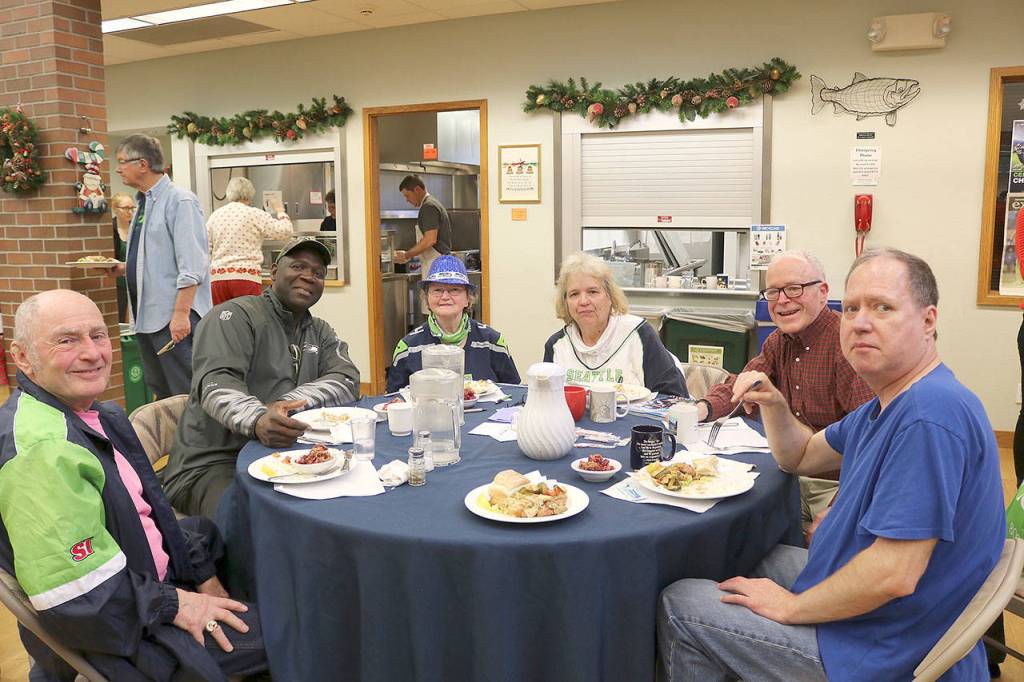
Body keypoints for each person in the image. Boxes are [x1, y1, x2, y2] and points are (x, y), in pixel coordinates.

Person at [657, 248, 1005, 682]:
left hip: (881, 646)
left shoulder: (928, 415)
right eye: (853, 307)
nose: (859, 322)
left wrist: (791, 608)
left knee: (683, 599)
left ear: (928, 321)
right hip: (878, 607)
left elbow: (892, 575)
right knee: (743, 555)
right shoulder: (891, 402)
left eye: (883, 307)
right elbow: (800, 456)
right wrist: (776, 404)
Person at [0, 290, 267, 681]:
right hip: (128, 635)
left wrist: (204, 578)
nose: (93, 353)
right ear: (22, 357)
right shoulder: (42, 452)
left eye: (99, 335)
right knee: (300, 633)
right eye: (67, 340)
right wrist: (178, 603)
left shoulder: (95, 414)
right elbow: (84, 598)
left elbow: (149, 514)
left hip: (141, 585)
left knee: (219, 534)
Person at [163, 236, 361, 518]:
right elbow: (217, 385)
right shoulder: (233, 316)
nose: (308, 277)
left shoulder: (320, 331)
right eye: (298, 266)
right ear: (273, 272)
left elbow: (347, 379)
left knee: (339, 506)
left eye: (318, 273)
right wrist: (257, 419)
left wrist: (286, 404)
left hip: (283, 458)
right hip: (213, 464)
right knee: (261, 522)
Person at [699, 251, 873, 530]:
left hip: (833, 487)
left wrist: (838, 510)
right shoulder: (778, 342)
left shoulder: (847, 346)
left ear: (823, 292)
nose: (782, 301)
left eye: (794, 289)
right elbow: (743, 381)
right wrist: (702, 409)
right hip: (789, 476)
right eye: (773, 292)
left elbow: (871, 443)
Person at [111, 134, 213, 399]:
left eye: (123, 162)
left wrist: (180, 315)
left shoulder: (180, 201)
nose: (118, 168)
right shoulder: (144, 202)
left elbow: (193, 265)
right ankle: (170, 441)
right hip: (148, 318)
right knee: (161, 391)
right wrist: (124, 268)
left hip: (174, 318)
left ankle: (198, 440)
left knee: (185, 392)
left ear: (143, 164)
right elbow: (156, 256)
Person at [544, 252, 687, 396]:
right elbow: (546, 401)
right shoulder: (556, 346)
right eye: (574, 294)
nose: (583, 301)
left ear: (610, 296)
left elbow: (674, 397)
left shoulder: (639, 334)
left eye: (593, 292)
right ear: (565, 302)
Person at [388, 254, 520, 392]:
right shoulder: (408, 348)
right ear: (427, 298)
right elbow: (395, 401)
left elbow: (514, 392)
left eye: (454, 290)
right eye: (437, 290)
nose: (445, 297)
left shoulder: (492, 342)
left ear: (468, 298)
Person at [207, 176, 293, 305]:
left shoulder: (215, 215)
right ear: (249, 195)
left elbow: (206, 248)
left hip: (218, 278)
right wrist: (280, 211)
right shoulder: (256, 214)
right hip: (245, 277)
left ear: (229, 194)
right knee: (247, 320)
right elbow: (285, 231)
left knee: (222, 321)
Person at [393, 175, 453, 274]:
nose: (407, 200)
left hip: (436, 266)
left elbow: (430, 240)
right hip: (436, 264)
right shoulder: (430, 204)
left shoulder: (428, 207)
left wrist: (407, 255)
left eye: (407, 195)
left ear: (417, 189)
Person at [109, 191, 135, 324]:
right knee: (121, 320)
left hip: (135, 281)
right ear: (115, 209)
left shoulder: (137, 229)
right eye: (126, 208)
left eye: (132, 208)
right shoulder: (109, 229)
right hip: (118, 284)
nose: (129, 212)